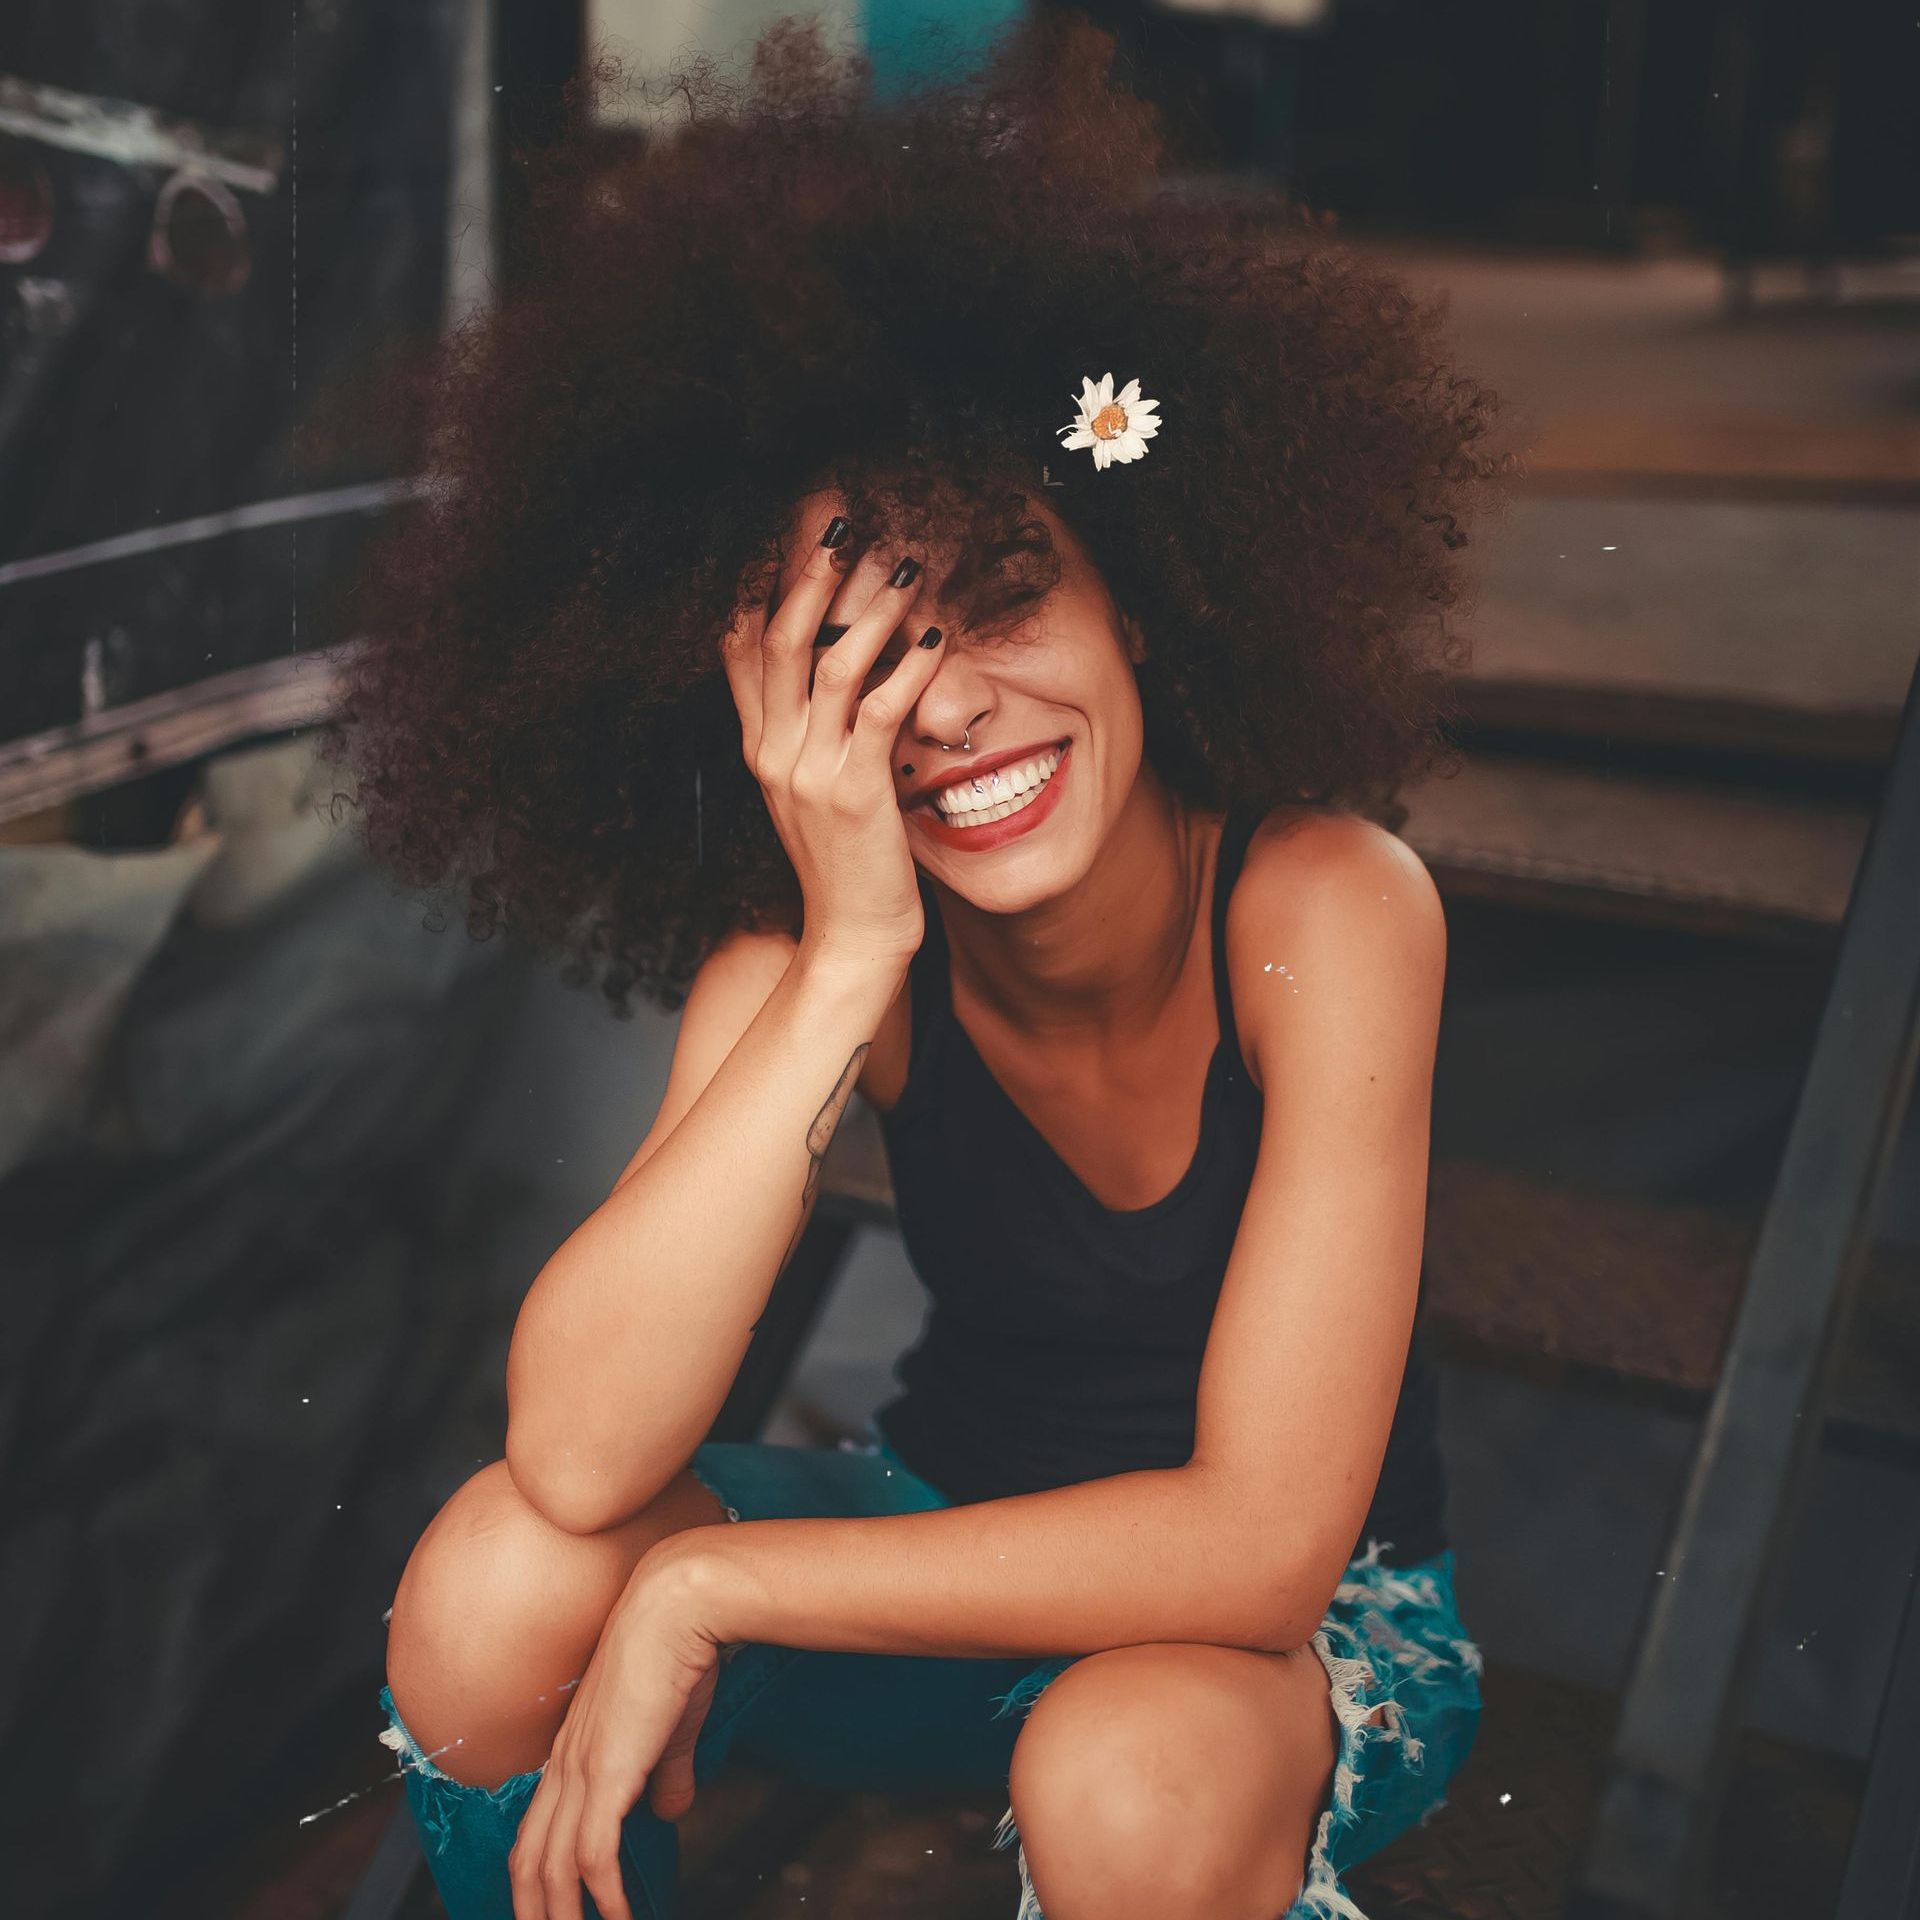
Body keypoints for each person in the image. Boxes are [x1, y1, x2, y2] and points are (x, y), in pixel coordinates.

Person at [328, 12, 1501, 1918]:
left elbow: (1269, 1546)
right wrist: (859, 942)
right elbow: (573, 1450)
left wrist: (713, 1582)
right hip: (936, 1554)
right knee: (492, 1583)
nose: (946, 709)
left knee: (1123, 1765)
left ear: (1145, 585)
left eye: (1003, 597)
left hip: (1273, 1658)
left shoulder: (1323, 908)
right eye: (851, 657)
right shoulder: (809, 968)